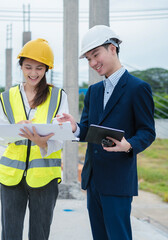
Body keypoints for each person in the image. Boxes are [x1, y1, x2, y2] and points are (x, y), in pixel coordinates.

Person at [57, 25, 156, 240]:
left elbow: (147, 132)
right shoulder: (94, 91)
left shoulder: (137, 88)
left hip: (118, 180)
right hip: (93, 180)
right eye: (88, 59)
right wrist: (74, 127)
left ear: (112, 49)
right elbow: (87, 131)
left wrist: (128, 145)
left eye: (95, 55)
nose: (93, 63)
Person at [0, 38, 70, 240]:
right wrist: (14, 131)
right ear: (21, 66)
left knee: (40, 234)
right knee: (10, 234)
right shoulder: (7, 96)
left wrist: (43, 142)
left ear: (47, 69)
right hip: (11, 176)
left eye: (39, 68)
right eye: (28, 67)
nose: (33, 73)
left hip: (45, 178)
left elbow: (62, 135)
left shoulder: (58, 96)